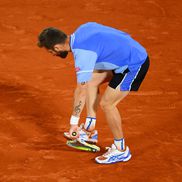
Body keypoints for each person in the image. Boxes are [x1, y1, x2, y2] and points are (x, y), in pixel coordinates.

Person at [37, 22, 150, 164]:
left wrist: (73, 123)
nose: (53, 54)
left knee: (107, 104)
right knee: (91, 80)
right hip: (124, 55)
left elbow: (80, 91)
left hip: (134, 64)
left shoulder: (83, 54)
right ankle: (90, 128)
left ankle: (121, 150)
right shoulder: (83, 29)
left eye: (51, 52)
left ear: (57, 47)